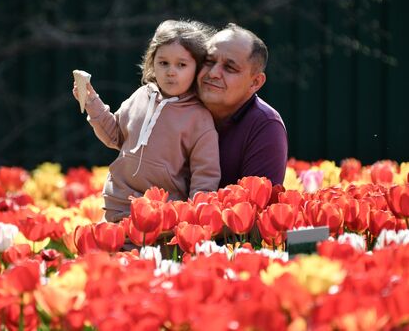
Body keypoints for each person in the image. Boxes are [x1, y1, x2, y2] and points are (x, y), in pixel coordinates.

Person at [73, 20, 221, 222]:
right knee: (108, 252)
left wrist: (193, 220)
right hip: (118, 204)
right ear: (152, 63)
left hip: (163, 217)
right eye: (163, 63)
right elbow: (114, 135)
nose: (171, 71)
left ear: (198, 69)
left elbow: (205, 177)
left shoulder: (200, 119)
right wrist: (91, 101)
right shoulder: (141, 96)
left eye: (181, 65)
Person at [197, 23, 288, 186]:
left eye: (230, 68)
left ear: (255, 82)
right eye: (209, 61)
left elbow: (257, 208)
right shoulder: (174, 105)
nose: (213, 73)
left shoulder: (265, 125)